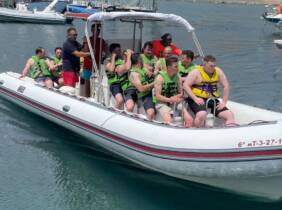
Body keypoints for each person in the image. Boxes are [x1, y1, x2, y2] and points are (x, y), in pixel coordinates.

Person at [183, 55, 235, 127]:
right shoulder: (195, 72)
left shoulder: (218, 71)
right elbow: (185, 85)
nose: (213, 68)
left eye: (214, 66)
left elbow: (226, 86)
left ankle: (230, 133)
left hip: (212, 99)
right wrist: (195, 98)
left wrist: (224, 102)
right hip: (197, 99)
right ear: (204, 63)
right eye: (211, 66)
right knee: (202, 114)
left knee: (229, 115)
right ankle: (198, 131)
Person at [154, 56, 193, 127]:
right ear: (169, 67)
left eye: (178, 66)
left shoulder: (178, 77)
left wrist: (176, 98)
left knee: (189, 119)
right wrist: (170, 99)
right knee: (169, 121)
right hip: (162, 103)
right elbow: (157, 96)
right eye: (175, 67)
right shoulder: (160, 77)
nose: (178, 68)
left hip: (175, 101)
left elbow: (181, 93)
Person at [81, 23, 107, 97]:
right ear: (92, 30)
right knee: (87, 82)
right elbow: (84, 51)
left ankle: (97, 96)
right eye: (95, 30)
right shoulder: (88, 40)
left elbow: (105, 52)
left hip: (97, 66)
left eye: (98, 30)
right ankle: (87, 97)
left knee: (98, 82)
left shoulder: (102, 41)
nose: (97, 32)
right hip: (88, 65)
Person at [105, 43, 131, 109]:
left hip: (124, 83)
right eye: (116, 51)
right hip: (114, 84)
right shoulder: (107, 61)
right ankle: (114, 112)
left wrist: (127, 56)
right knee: (120, 100)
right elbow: (111, 69)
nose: (118, 53)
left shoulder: (121, 60)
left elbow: (127, 66)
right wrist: (113, 57)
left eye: (119, 51)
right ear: (112, 52)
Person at [130, 53, 155, 120]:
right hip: (144, 95)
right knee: (150, 113)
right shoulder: (134, 74)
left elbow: (149, 68)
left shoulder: (143, 68)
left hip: (153, 92)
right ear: (139, 60)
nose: (143, 60)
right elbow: (141, 89)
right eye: (141, 58)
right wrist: (154, 83)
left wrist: (152, 73)